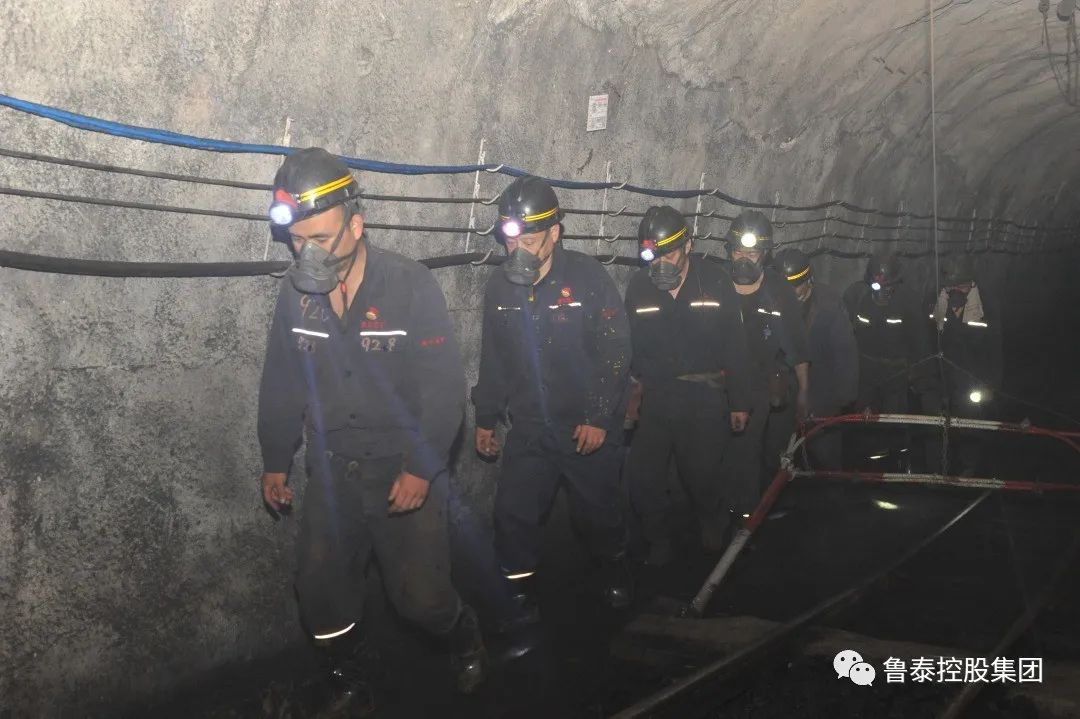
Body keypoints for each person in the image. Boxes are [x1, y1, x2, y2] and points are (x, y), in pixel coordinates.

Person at [256, 148, 486, 711]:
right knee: (319, 595)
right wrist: (276, 459)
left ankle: (462, 633)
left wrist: (421, 468)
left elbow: (444, 389)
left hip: (401, 463)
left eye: (319, 238)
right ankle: (349, 676)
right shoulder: (295, 295)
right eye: (296, 241)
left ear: (355, 227)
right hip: (333, 467)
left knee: (421, 599)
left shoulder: (410, 285)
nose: (306, 252)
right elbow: (283, 379)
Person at [471, 175, 633, 621]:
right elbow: (494, 357)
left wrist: (598, 416)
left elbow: (616, 350)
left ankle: (614, 569)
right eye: (511, 238)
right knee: (514, 515)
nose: (518, 247)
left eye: (529, 238)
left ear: (554, 233)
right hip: (530, 425)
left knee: (597, 513)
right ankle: (517, 593)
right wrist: (485, 416)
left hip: (584, 426)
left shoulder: (587, 277)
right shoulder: (500, 287)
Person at [623, 205, 752, 565]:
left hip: (703, 396)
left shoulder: (715, 281)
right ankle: (658, 537)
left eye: (669, 253)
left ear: (688, 245)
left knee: (702, 475)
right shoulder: (639, 286)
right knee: (645, 477)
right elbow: (627, 346)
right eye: (653, 254)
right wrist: (629, 395)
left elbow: (736, 344)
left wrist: (740, 401)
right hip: (656, 396)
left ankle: (712, 521)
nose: (660, 261)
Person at [719, 211, 810, 515]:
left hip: (758, 386)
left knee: (747, 452)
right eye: (738, 251)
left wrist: (803, 392)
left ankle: (746, 516)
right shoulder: (716, 283)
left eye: (752, 252)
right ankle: (718, 512)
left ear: (765, 254)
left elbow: (796, 346)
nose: (743, 258)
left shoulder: (778, 291)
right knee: (714, 454)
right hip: (719, 384)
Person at [843, 253, 935, 470]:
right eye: (877, 286)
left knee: (894, 422)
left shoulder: (908, 301)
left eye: (888, 287)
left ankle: (897, 464)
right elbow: (845, 336)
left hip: (897, 372)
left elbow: (920, 341)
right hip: (866, 371)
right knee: (864, 420)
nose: (882, 291)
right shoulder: (857, 296)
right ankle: (866, 466)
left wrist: (920, 376)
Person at [774, 248, 859, 470]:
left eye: (795, 287)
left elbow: (845, 351)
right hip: (785, 394)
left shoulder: (829, 304)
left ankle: (829, 488)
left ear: (808, 280)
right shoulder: (772, 303)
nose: (789, 293)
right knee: (779, 460)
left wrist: (844, 396)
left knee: (825, 459)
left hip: (822, 392)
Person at [925, 254, 1003, 475]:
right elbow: (926, 337)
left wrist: (992, 385)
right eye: (952, 286)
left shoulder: (986, 305)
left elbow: (995, 349)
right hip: (943, 378)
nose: (957, 291)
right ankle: (936, 472)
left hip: (972, 380)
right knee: (938, 427)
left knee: (971, 427)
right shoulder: (937, 302)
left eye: (962, 286)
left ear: (971, 283)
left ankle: (970, 472)